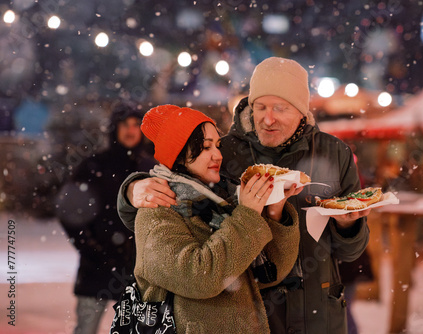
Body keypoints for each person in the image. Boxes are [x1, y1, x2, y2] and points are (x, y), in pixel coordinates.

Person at [118, 57, 370, 333]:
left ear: (301, 110)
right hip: (255, 312)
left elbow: (348, 252)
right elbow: (174, 184)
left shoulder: (335, 154)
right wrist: (131, 188)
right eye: (260, 106)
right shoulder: (225, 154)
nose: (268, 118)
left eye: (280, 108)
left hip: (317, 311)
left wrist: (348, 226)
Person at [131, 104, 300, 333]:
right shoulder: (158, 208)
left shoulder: (223, 201)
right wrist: (248, 215)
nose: (217, 155)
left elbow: (269, 274)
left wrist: (275, 211)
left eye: (217, 145)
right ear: (179, 154)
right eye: (205, 147)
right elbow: (199, 279)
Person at [56, 101, 156, 334]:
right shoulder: (92, 167)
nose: (131, 131)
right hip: (96, 269)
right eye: (125, 125)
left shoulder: (151, 168)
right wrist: (89, 247)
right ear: (114, 129)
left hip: (137, 270)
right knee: (86, 329)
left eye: (136, 125)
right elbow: (70, 213)